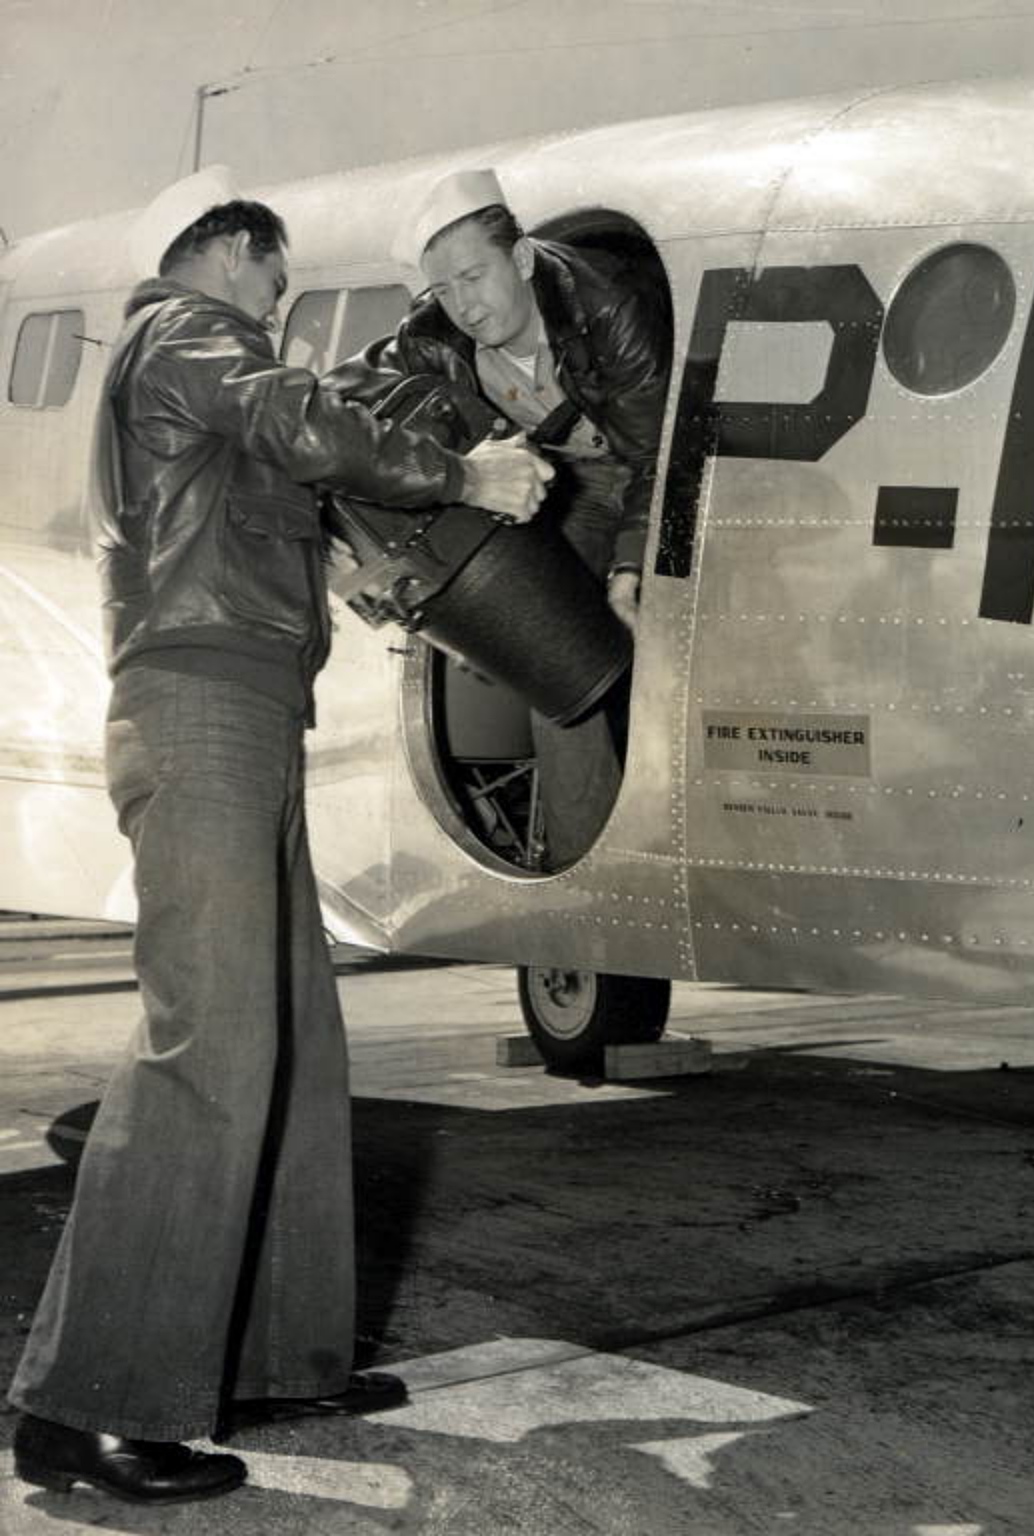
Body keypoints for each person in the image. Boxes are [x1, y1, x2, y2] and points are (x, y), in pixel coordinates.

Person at [6, 165, 551, 1506]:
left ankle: (273, 1353)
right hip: (200, 719)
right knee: (211, 1046)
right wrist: (468, 468)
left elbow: (267, 487)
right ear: (228, 251)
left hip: (242, 714)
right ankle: (87, 1407)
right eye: (275, 276)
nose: (280, 302)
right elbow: (298, 420)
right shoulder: (186, 333)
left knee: (294, 1041)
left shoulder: (187, 371)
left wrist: (347, 567)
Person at [329, 167, 671, 869]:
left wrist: (630, 567)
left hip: (633, 472)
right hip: (535, 484)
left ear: (520, 258)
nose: (464, 306)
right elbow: (338, 397)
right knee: (555, 666)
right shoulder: (429, 336)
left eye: (474, 276)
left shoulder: (608, 304)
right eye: (443, 288)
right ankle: (587, 878)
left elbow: (654, 457)